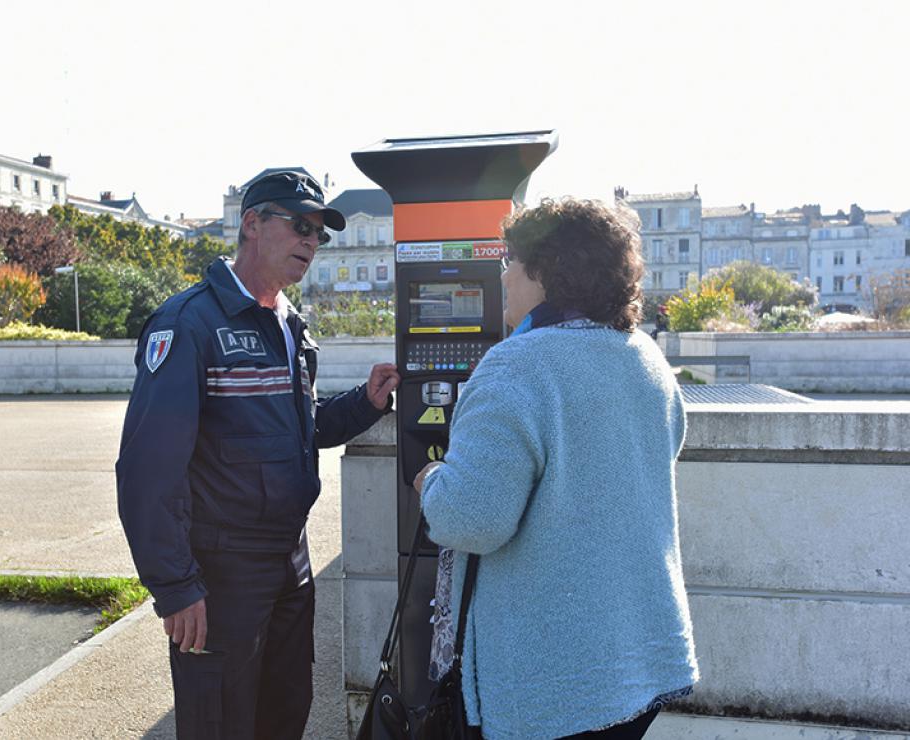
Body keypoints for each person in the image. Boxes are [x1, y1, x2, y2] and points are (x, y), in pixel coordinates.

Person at [116, 171, 399, 740]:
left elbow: (299, 430)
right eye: (300, 226)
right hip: (223, 576)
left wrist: (364, 405)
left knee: (283, 715)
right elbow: (149, 468)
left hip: (290, 567)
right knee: (221, 723)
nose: (311, 243)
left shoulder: (289, 323)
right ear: (251, 224)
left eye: (319, 234)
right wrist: (175, 586)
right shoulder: (189, 323)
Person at [412, 198, 698, 740]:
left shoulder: (517, 366)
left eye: (509, 260)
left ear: (545, 270)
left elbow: (472, 519)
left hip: (554, 676)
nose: (501, 275)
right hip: (640, 652)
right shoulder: (644, 357)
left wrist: (433, 483)